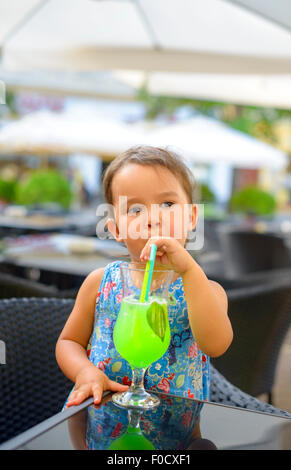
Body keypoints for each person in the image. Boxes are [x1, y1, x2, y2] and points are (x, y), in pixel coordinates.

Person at [56, 146, 233, 410]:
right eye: (135, 210)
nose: (153, 219)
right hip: (102, 414)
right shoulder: (99, 282)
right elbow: (68, 342)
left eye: (167, 204)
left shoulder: (205, 290)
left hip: (176, 428)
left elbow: (216, 344)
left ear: (192, 217)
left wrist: (189, 270)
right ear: (115, 229)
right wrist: (84, 372)